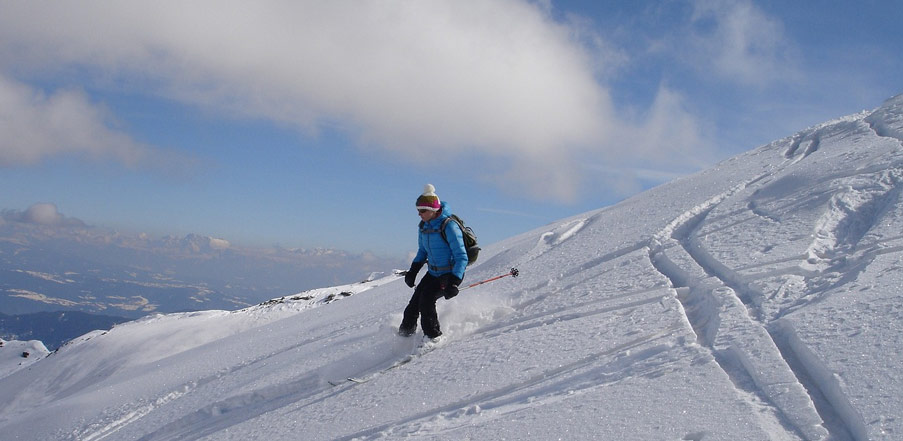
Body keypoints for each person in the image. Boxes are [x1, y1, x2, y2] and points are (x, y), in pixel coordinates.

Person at [399, 184, 468, 340]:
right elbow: (422, 252)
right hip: (432, 273)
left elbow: (461, 256)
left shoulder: (449, 226)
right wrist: (413, 272)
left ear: (433, 210)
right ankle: (403, 337)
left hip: (449, 274)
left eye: (422, 210)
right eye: (418, 210)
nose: (419, 214)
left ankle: (433, 337)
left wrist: (455, 282)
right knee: (412, 307)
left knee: (426, 300)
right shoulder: (424, 227)